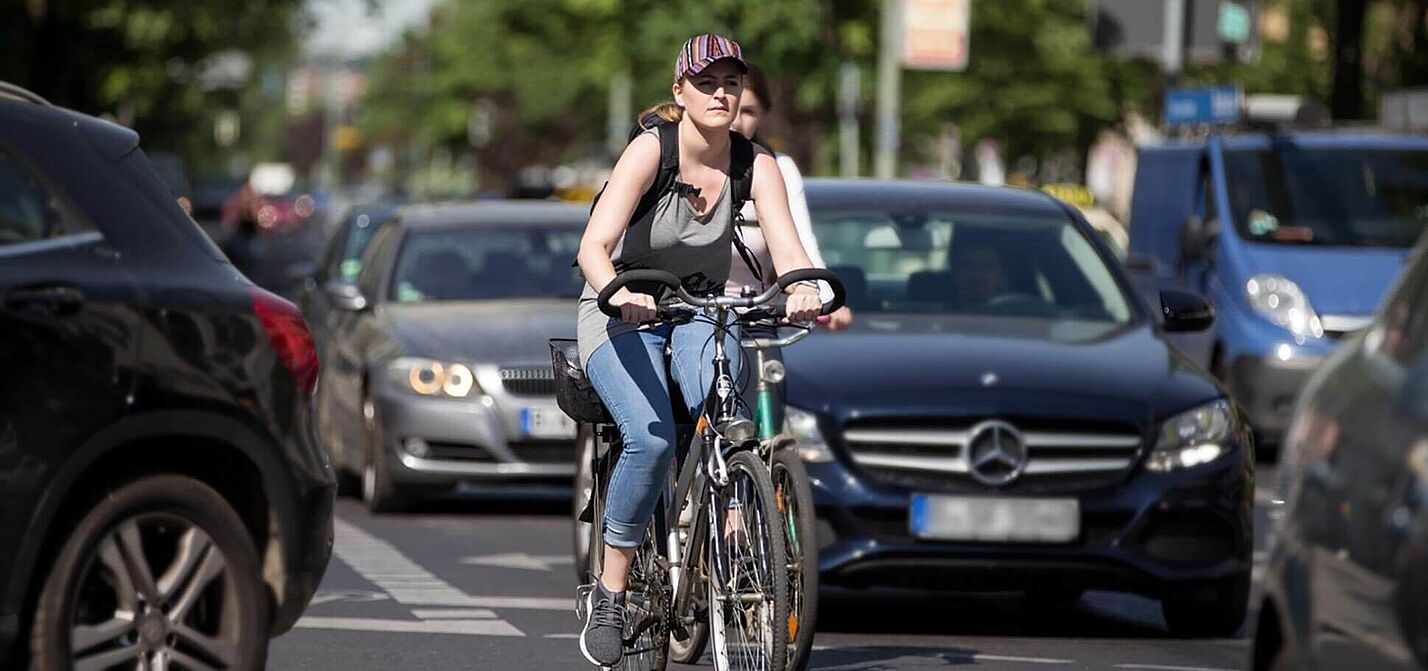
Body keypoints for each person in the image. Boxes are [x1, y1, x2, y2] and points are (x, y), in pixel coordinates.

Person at [574, 34, 823, 667]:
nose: (721, 92)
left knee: (724, 411)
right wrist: (617, 292)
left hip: (699, 311)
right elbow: (592, 248)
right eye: (707, 81)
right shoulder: (649, 151)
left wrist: (799, 288)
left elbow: (788, 251)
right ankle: (611, 589)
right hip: (620, 310)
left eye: (732, 83)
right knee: (651, 438)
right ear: (680, 91)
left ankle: (727, 526)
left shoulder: (755, 164)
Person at [727, 65, 853, 329]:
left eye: (748, 111)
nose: (736, 122)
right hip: (687, 315)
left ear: (763, 116)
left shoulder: (775, 168)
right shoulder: (678, 162)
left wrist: (822, 297)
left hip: (754, 317)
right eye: (730, 108)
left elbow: (800, 244)